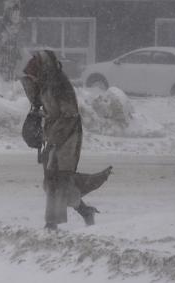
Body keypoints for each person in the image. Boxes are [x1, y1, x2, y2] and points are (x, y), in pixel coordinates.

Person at [20, 50, 112, 230]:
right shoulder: (44, 83)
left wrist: (54, 134)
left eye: (35, 69)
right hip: (53, 133)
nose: (33, 73)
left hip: (68, 134)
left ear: (44, 67)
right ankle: (85, 211)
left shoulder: (59, 84)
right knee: (52, 181)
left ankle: (51, 223)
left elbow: (69, 113)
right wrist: (31, 85)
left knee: (59, 179)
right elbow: (40, 105)